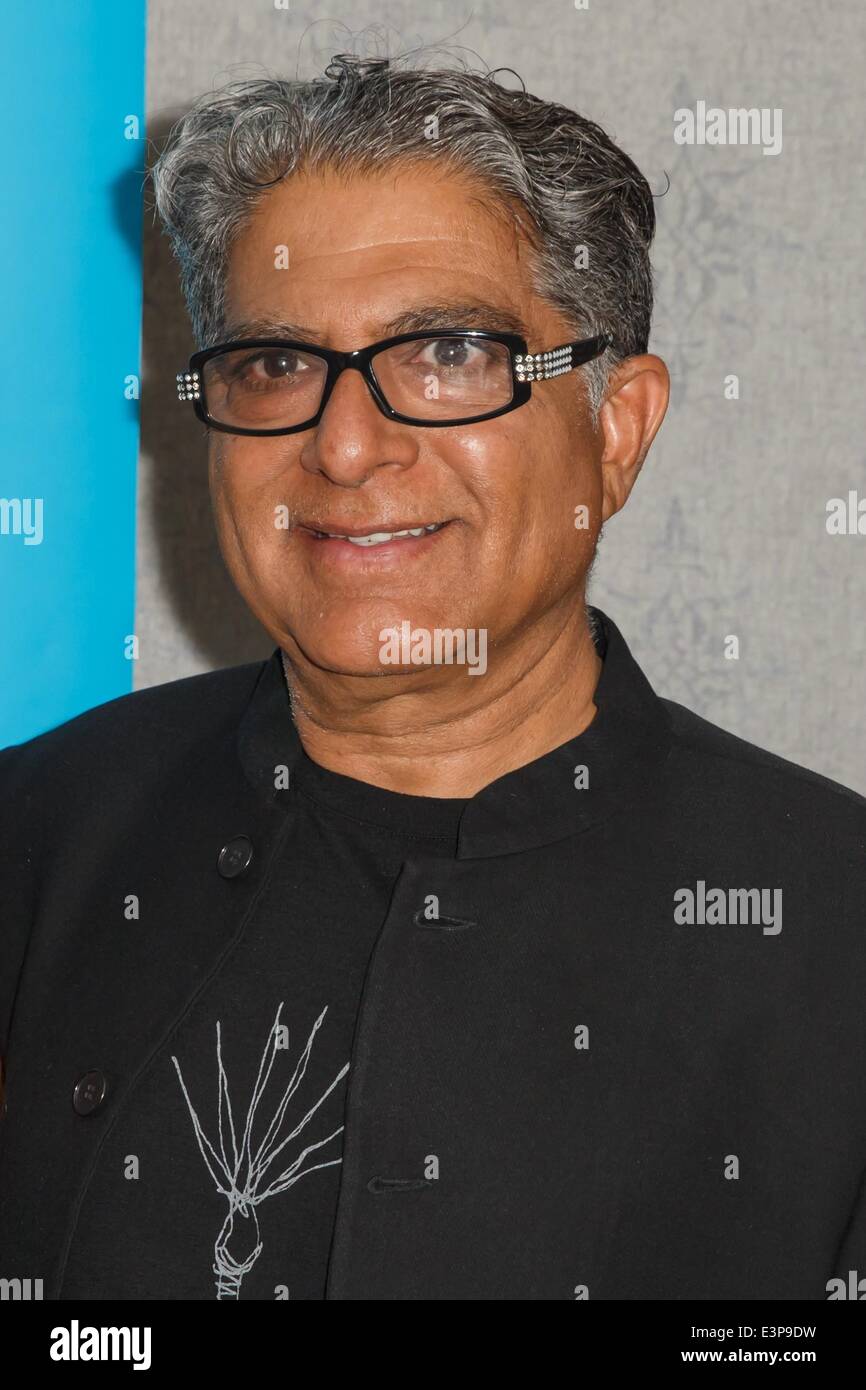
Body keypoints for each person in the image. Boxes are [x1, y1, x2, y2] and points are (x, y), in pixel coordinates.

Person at [1, 54, 863, 1302]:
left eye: (449, 353)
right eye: (275, 365)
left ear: (613, 430)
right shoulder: (37, 844)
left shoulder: (829, 927)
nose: (345, 446)